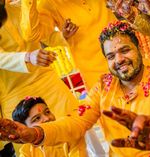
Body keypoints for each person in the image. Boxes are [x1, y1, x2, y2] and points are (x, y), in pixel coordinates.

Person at [0, 21, 150, 157]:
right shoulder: (103, 89)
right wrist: (36, 133)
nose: (119, 60)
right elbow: (76, 121)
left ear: (139, 48)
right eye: (111, 56)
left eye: (125, 50)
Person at [0, 0, 86, 154]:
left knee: (77, 127)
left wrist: (62, 36)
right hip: (14, 93)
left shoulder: (21, 6)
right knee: (31, 147)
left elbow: (41, 34)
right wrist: (27, 57)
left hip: (46, 79)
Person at [20, 0, 116, 89]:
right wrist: (62, 36)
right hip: (96, 70)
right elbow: (31, 35)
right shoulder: (48, 3)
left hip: (126, 52)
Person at [12, 96, 86, 157]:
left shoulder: (70, 134)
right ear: (25, 128)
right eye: (37, 118)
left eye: (47, 112)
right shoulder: (26, 151)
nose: (47, 118)